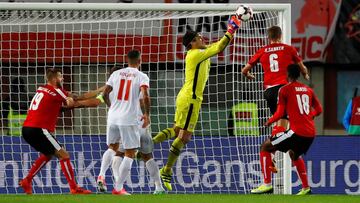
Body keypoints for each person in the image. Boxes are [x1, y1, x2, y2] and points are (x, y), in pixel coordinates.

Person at [151, 16, 241, 191]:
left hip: (187, 98)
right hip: (191, 99)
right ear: (192, 43)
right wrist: (232, 28)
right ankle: (166, 169)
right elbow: (220, 46)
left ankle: (150, 144)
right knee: (184, 136)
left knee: (177, 131)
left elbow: (217, 46)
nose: (203, 39)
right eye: (199, 37)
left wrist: (232, 27)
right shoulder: (195, 54)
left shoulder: (198, 52)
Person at [19, 68, 103, 195]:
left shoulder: (42, 89)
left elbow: (59, 107)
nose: (62, 79)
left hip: (27, 129)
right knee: (64, 155)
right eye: (60, 77)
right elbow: (77, 99)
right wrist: (101, 92)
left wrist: (87, 103)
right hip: (39, 129)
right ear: (53, 79)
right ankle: (74, 188)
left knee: (48, 154)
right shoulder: (56, 91)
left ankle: (27, 180)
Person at [251, 64, 322, 195]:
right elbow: (319, 110)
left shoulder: (284, 90)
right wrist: (308, 117)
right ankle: (306, 188)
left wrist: (269, 122)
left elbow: (279, 113)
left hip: (297, 132)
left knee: (265, 146)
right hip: (311, 133)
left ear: (287, 75)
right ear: (299, 74)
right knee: (293, 154)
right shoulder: (308, 89)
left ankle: (266, 184)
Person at [100, 49, 150, 195]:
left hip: (113, 117)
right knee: (130, 153)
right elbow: (145, 96)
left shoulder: (115, 74)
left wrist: (112, 107)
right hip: (128, 118)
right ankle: (118, 187)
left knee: (112, 147)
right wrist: (146, 114)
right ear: (140, 61)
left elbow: (104, 94)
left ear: (126, 60)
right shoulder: (142, 76)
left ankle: (101, 175)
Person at [242, 25, 310, 129]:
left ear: (268, 38)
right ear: (281, 36)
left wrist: (248, 75)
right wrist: (305, 74)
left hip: (270, 92)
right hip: (284, 89)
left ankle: (278, 139)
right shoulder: (289, 49)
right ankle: (279, 142)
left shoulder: (262, 50)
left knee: (279, 119)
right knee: (286, 120)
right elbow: (302, 67)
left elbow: (244, 70)